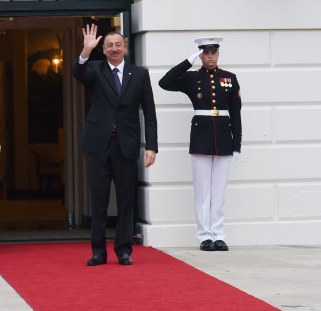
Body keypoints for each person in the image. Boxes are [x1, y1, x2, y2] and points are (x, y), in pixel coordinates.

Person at [73, 24, 158, 266]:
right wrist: (85, 51)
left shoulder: (139, 74)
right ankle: (98, 252)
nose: (114, 49)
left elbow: (149, 113)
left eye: (118, 44)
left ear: (126, 48)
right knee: (98, 201)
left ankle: (123, 250)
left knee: (125, 200)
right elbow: (78, 73)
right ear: (103, 49)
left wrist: (151, 146)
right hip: (99, 144)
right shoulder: (95, 69)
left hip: (127, 145)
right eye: (109, 45)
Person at [159, 36, 242, 252]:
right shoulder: (191, 78)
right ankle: (204, 236)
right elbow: (164, 82)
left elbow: (236, 114)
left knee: (219, 192)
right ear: (200, 55)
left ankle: (219, 234)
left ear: (218, 54)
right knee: (202, 191)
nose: (210, 56)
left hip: (224, 137)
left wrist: (237, 144)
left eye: (213, 52)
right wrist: (188, 61)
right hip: (201, 137)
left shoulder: (230, 78)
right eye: (205, 53)